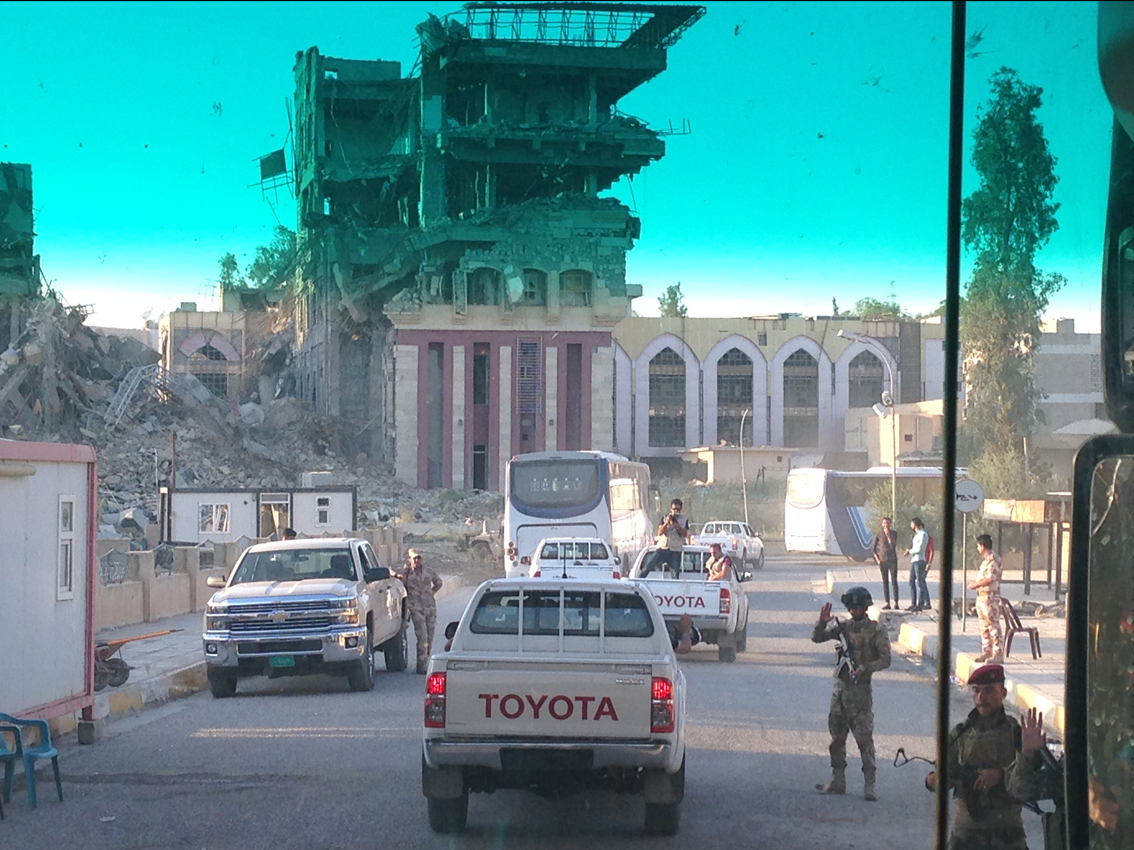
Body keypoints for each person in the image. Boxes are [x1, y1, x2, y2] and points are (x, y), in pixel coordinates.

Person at [925, 664, 1026, 850]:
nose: (981, 698)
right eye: (976, 690)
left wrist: (1000, 775)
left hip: (1006, 833)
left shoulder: (1015, 733)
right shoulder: (960, 734)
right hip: (966, 834)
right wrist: (934, 780)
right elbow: (941, 777)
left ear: (1003, 693)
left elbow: (1029, 779)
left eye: (989, 690)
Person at [812, 586, 891, 801]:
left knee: (864, 740)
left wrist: (864, 668)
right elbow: (817, 638)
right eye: (850, 608)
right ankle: (838, 780)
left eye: (856, 607)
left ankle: (869, 784)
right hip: (840, 692)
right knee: (837, 739)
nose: (853, 611)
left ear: (865, 608)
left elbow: (885, 659)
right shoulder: (844, 628)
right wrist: (822, 621)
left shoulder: (876, 630)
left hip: (860, 693)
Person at [394, 548, 443, 674]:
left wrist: (431, 593)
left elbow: (438, 583)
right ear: (409, 560)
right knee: (422, 636)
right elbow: (393, 575)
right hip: (415, 607)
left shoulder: (429, 571)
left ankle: (425, 660)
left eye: (419, 558)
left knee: (430, 636)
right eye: (414, 558)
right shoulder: (406, 572)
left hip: (430, 607)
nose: (417, 560)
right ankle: (421, 665)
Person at [970, 534, 1004, 663]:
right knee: (984, 627)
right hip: (982, 596)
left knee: (993, 625)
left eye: (978, 545)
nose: (977, 548)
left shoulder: (993, 559)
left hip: (990, 597)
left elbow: (990, 578)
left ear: (983, 546)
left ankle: (998, 653)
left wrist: (975, 584)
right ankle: (987, 651)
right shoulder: (985, 560)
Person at [870, 516, 899, 610]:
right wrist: (878, 560)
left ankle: (896, 602)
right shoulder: (879, 534)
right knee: (885, 582)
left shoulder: (894, 533)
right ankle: (887, 603)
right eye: (884, 523)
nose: (886, 524)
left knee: (894, 581)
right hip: (883, 560)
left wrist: (888, 536)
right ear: (882, 524)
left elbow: (893, 545)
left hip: (893, 560)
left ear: (890, 524)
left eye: (887, 523)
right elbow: (873, 549)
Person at [656, 499, 690, 576]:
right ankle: (640, 578)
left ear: (681, 509)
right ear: (671, 509)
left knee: (675, 573)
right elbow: (659, 533)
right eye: (674, 509)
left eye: (678, 509)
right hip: (664, 548)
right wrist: (666, 523)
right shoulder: (664, 518)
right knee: (650, 563)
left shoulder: (684, 520)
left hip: (676, 550)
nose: (675, 511)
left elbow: (685, 534)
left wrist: (678, 526)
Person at [904, 517, 931, 612]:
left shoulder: (923, 534)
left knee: (920, 582)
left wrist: (909, 551)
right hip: (914, 560)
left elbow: (919, 549)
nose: (911, 526)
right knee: (911, 582)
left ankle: (921, 603)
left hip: (920, 560)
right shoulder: (916, 535)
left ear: (915, 524)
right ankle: (913, 603)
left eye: (912, 524)